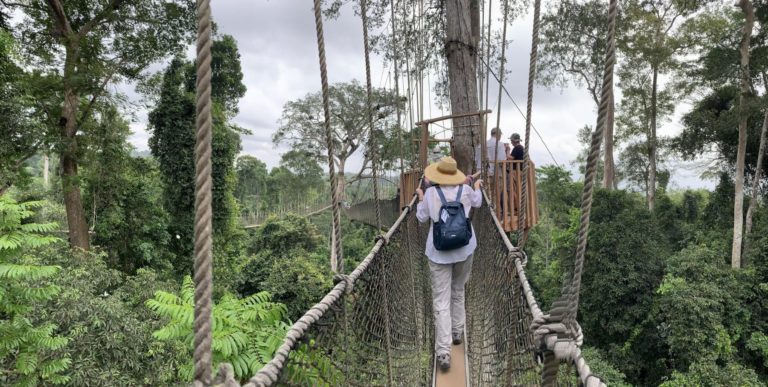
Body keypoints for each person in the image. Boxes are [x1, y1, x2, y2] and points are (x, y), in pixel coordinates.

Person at [415, 156, 483, 371]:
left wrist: (420, 198)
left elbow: (421, 218)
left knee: (440, 300)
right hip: (465, 248)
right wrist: (478, 187)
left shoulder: (431, 193)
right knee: (458, 289)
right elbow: (479, 202)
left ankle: (443, 352)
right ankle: (457, 332)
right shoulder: (466, 190)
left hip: (439, 253)